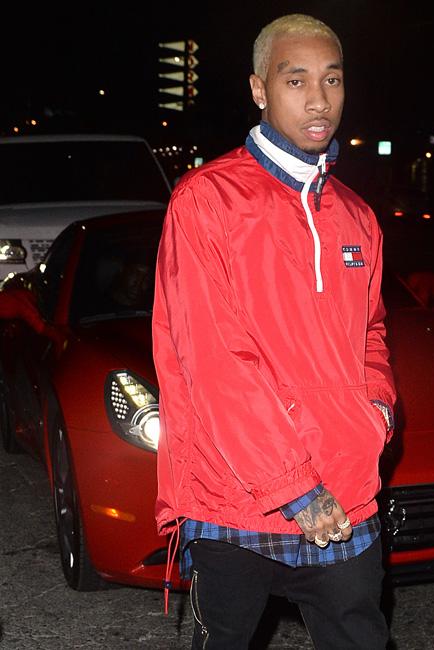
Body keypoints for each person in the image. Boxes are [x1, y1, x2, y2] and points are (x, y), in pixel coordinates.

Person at [152, 13, 396, 649]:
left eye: (332, 80)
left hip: (344, 489)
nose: (318, 100)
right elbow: (214, 361)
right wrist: (295, 490)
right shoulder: (206, 200)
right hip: (235, 496)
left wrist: (378, 407)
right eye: (296, 80)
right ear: (259, 89)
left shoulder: (358, 216)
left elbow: (371, 331)